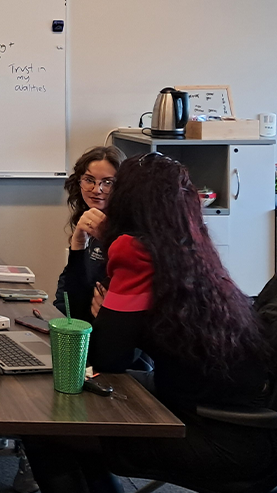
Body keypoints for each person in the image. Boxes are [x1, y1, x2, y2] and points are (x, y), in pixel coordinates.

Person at [23, 152, 277, 492]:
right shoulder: (192, 244)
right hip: (236, 411)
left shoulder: (133, 249)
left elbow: (109, 359)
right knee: (72, 409)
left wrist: (109, 315)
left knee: (46, 426)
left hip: (217, 432)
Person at [54, 146, 125, 322]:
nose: (96, 189)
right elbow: (67, 295)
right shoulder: (87, 219)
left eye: (108, 182)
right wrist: (77, 246)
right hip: (80, 326)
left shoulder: (128, 229)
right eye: (89, 180)